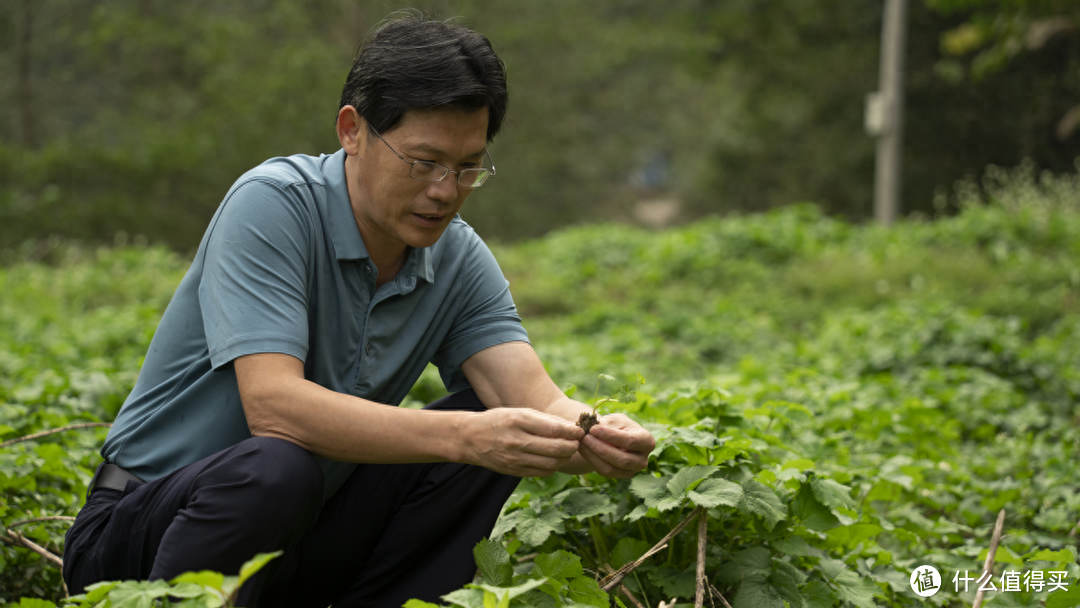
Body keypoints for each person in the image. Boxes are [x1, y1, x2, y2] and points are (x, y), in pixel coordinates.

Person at [61, 12, 656, 608]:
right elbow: (274, 409)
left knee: (491, 415)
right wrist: (465, 436)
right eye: (423, 162)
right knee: (279, 467)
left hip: (299, 535)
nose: (446, 191)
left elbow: (536, 397)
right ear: (353, 130)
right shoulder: (273, 205)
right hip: (141, 537)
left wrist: (596, 436)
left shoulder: (457, 258)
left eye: (468, 167)